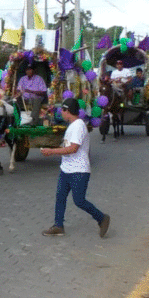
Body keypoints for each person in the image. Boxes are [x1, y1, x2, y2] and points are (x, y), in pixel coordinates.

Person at [40, 98, 111, 238]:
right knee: (60, 197)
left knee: (79, 200)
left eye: (62, 110)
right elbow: (68, 146)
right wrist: (54, 150)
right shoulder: (73, 125)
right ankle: (58, 225)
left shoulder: (78, 126)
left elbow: (73, 148)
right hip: (66, 168)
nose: (61, 113)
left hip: (78, 170)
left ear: (68, 111)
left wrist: (52, 152)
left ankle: (101, 218)